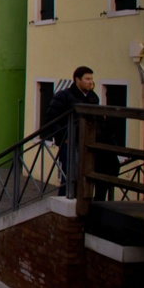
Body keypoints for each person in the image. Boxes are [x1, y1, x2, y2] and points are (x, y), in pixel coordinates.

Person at [44, 65, 99, 198]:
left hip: (86, 142)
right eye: (87, 79)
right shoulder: (63, 96)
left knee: (84, 173)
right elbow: (52, 118)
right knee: (71, 174)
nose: (91, 81)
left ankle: (80, 201)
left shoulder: (93, 98)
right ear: (77, 80)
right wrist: (64, 137)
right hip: (70, 141)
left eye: (91, 78)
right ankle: (65, 201)